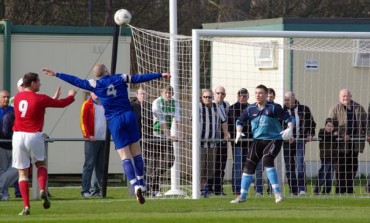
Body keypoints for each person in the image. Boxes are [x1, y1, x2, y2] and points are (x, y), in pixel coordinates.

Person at [42, 64, 171, 204]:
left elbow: (76, 81)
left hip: (115, 120)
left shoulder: (95, 84)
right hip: (128, 115)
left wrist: (57, 74)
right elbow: (139, 78)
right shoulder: (120, 78)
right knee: (137, 152)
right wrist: (159, 74)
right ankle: (142, 182)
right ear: (106, 70)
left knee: (124, 156)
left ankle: (135, 186)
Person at [12, 72, 76, 215]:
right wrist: (71, 95)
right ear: (33, 83)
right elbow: (61, 104)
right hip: (33, 135)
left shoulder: (16, 98)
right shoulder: (40, 98)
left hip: (17, 136)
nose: (40, 84)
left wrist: (51, 99)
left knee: (22, 174)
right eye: (39, 82)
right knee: (40, 164)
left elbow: (30, 106)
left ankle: (26, 207)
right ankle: (42, 189)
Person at [230, 84, 295, 204]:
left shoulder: (273, 108)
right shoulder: (251, 109)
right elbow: (240, 120)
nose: (257, 95)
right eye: (256, 93)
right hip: (258, 140)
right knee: (248, 165)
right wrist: (239, 131)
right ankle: (242, 196)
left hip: (274, 139)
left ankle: (277, 193)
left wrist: (290, 129)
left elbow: (289, 118)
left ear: (265, 95)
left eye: (260, 93)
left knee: (267, 160)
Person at [329, 89, 367, 194]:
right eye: (344, 96)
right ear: (339, 97)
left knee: (353, 166)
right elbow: (330, 125)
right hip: (341, 144)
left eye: (347, 96)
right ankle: (340, 190)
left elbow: (366, 123)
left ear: (351, 96)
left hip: (355, 143)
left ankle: (349, 189)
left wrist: (367, 134)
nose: (346, 98)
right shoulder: (335, 109)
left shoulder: (359, 108)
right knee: (341, 167)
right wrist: (341, 135)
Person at [150, 85, 182, 196]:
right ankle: (155, 189)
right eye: (166, 93)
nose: (168, 95)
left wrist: (180, 135)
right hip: (155, 135)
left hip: (166, 135)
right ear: (161, 94)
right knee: (155, 162)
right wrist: (168, 135)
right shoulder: (157, 102)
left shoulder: (175, 103)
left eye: (170, 93)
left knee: (170, 160)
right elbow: (162, 121)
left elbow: (178, 120)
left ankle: (152, 179)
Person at [282, 91, 316, 195]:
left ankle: (302, 188)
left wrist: (311, 134)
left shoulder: (304, 109)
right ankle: (293, 190)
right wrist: (287, 135)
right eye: (285, 100)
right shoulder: (282, 111)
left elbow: (312, 123)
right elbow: (280, 125)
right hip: (287, 142)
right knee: (289, 165)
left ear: (294, 99)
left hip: (300, 141)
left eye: (288, 100)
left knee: (300, 163)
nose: (286, 102)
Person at [199, 89, 228, 197]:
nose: (208, 99)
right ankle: (199, 189)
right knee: (200, 167)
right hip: (200, 143)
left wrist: (225, 134)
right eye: (205, 97)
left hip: (212, 143)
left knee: (210, 168)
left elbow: (223, 121)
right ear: (202, 97)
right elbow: (192, 122)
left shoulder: (216, 107)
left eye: (210, 97)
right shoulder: (198, 107)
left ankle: (206, 189)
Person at [80, 91, 106, 197]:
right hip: (92, 140)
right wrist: (88, 135)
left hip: (103, 139)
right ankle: (85, 190)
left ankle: (96, 189)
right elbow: (83, 121)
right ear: (91, 93)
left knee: (100, 165)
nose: (97, 94)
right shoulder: (87, 104)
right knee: (89, 164)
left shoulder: (105, 104)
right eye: (94, 92)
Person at [228, 88, 251, 195]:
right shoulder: (232, 108)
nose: (242, 97)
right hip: (236, 143)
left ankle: (245, 189)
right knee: (237, 165)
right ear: (238, 96)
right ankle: (236, 189)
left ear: (247, 96)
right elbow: (229, 124)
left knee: (247, 166)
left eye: (244, 95)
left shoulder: (251, 108)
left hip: (249, 142)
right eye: (240, 95)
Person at [209, 86, 230, 195]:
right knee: (210, 166)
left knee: (221, 165)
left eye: (222, 93)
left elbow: (227, 121)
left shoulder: (227, 105)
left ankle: (218, 189)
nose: (220, 95)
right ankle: (208, 189)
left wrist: (227, 134)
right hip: (212, 139)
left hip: (223, 139)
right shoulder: (210, 105)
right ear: (214, 94)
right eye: (218, 93)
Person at [313, 118, 339, 195]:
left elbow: (333, 137)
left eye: (331, 126)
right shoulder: (322, 131)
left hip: (334, 157)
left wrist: (334, 135)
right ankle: (316, 189)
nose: (329, 127)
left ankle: (326, 191)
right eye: (328, 125)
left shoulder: (336, 133)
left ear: (334, 127)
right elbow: (325, 137)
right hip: (325, 156)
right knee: (323, 172)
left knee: (330, 175)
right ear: (325, 126)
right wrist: (333, 136)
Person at [0, 90, 18, 201]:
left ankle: (2, 192)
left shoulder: (13, 110)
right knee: (3, 169)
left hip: (14, 144)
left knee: (16, 169)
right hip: (2, 144)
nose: (6, 99)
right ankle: (4, 194)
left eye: (7, 97)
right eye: (4, 97)